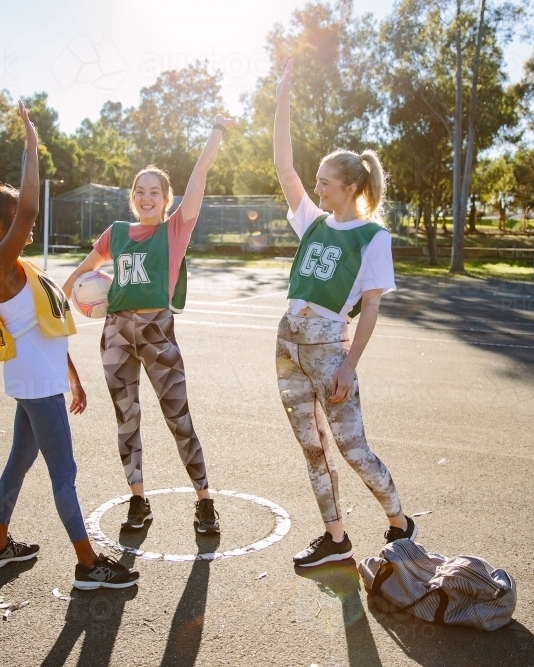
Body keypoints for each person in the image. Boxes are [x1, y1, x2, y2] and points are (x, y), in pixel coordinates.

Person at [0, 101, 138, 591]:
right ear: (0, 225)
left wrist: (74, 375)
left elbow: (44, 322)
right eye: (16, 216)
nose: (29, 222)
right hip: (35, 384)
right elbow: (30, 206)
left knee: (19, 463)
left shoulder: (22, 268)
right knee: (64, 473)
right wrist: (29, 142)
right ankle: (89, 566)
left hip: (39, 379)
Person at [64, 114, 239, 535]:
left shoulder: (175, 230)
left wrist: (216, 131)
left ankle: (204, 502)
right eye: (140, 191)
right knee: (127, 418)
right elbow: (83, 272)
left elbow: (198, 179)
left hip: (158, 335)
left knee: (180, 419)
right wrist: (53, 302)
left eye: (154, 192)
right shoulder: (116, 233)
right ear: (132, 197)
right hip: (116, 336)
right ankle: (138, 499)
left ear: (165, 199)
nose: (147, 197)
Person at [273, 59, 416, 568]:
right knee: (312, 449)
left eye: (327, 183)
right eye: (318, 182)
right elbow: (283, 167)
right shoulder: (312, 221)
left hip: (331, 347)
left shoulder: (373, 237)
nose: (318, 189)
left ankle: (400, 521)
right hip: (288, 340)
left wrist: (350, 364)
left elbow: (371, 308)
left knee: (353, 448)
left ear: (351, 187)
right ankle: (336, 539)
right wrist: (283, 98)